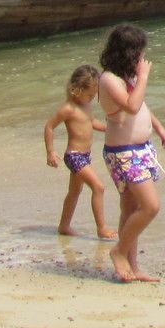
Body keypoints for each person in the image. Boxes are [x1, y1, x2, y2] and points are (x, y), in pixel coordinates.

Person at [97, 22, 165, 283]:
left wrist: (159, 128)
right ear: (129, 53)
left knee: (131, 209)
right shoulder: (108, 79)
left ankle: (131, 265)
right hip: (124, 152)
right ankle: (118, 252)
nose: (143, 57)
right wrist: (143, 77)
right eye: (139, 52)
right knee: (150, 206)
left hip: (141, 150)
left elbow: (143, 108)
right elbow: (131, 106)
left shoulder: (127, 78)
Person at [44, 64, 115, 240]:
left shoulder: (86, 106)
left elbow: (91, 122)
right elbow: (49, 127)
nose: (92, 98)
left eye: (94, 95)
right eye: (90, 94)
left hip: (85, 156)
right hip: (74, 156)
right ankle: (102, 228)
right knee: (99, 187)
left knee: (74, 192)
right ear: (76, 89)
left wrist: (110, 128)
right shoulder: (68, 108)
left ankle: (64, 226)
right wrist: (50, 152)